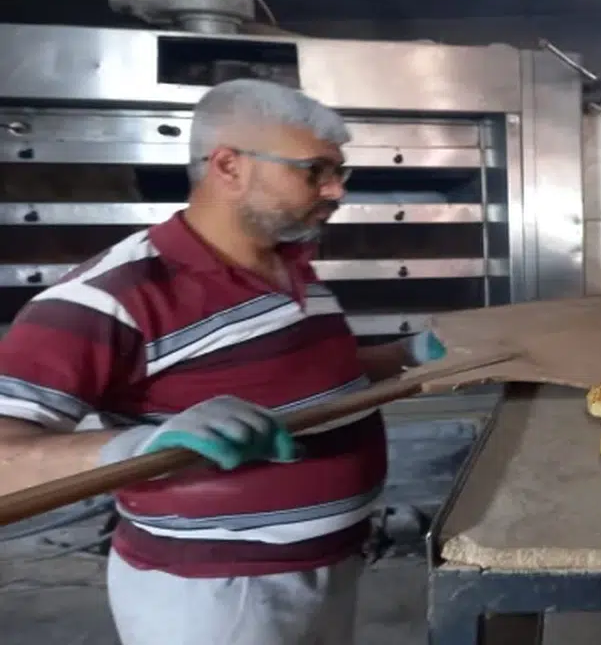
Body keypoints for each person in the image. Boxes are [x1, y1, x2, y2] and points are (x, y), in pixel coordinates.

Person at [0, 79, 446, 644]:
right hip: (217, 597)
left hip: (333, 567)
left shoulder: (291, 266)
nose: (336, 190)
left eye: (340, 172)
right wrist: (134, 448)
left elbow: (303, 374)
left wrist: (406, 355)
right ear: (229, 166)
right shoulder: (112, 295)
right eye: (314, 170)